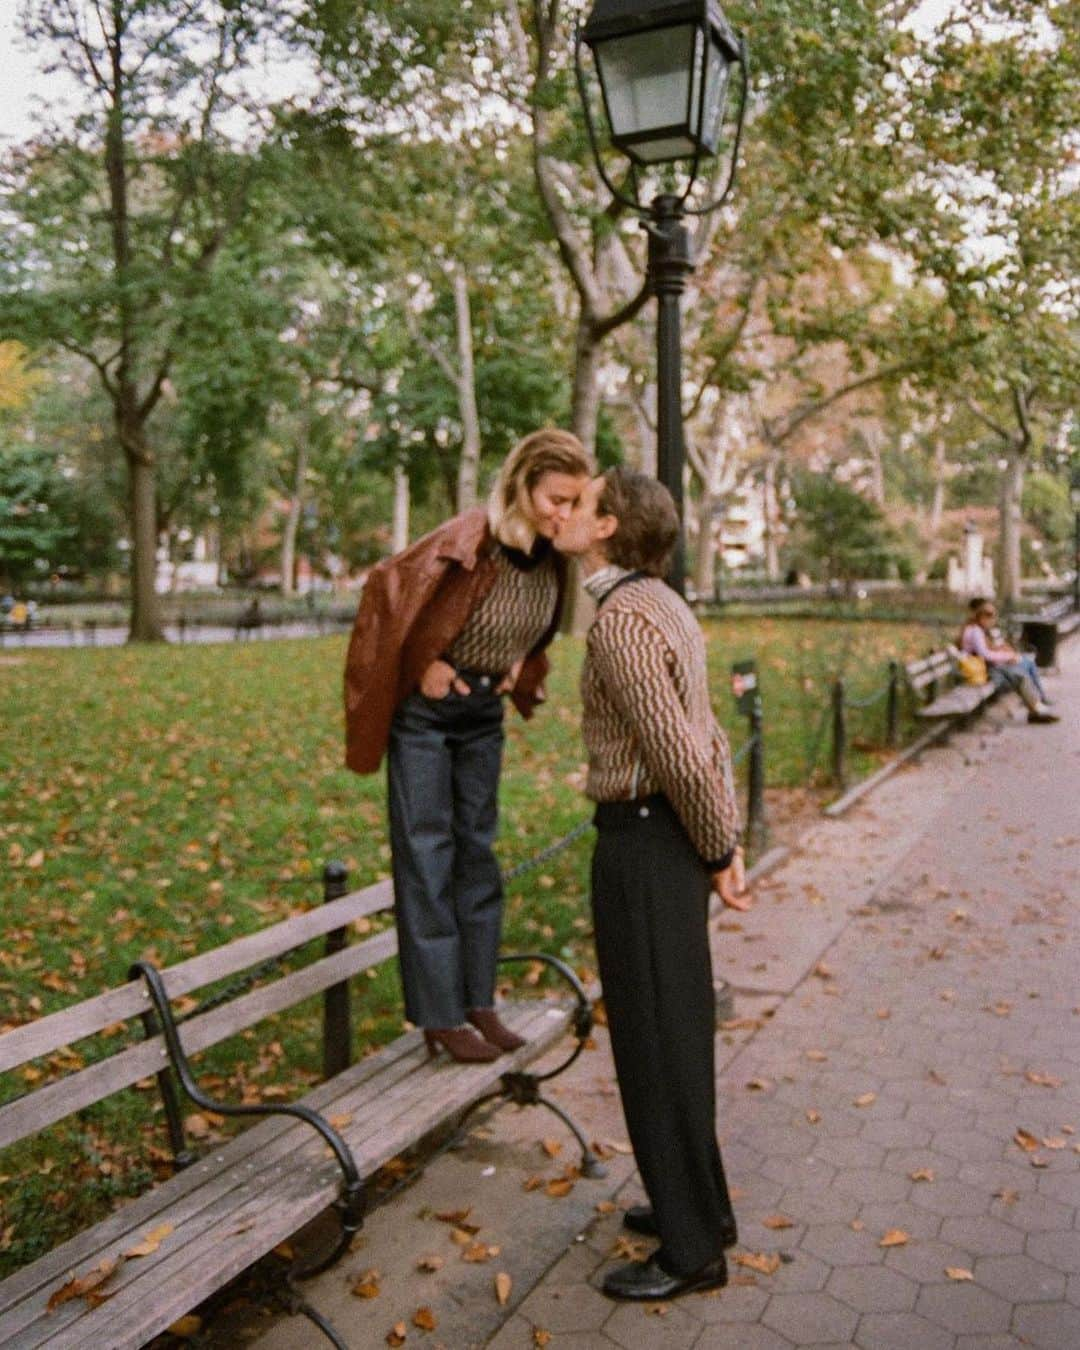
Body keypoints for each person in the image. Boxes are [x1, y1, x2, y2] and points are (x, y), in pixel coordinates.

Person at [553, 466, 748, 1302]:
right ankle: (695, 1207)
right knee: (679, 1033)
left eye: (583, 503)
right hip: (668, 840)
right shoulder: (661, 603)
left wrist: (717, 848)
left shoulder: (622, 622)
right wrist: (721, 838)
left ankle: (692, 1252)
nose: (566, 512)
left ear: (608, 527)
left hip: (643, 844)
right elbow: (708, 738)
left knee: (654, 1044)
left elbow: (676, 750)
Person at [343, 429, 593, 1063]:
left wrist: (517, 668)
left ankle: (478, 1000)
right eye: (554, 498)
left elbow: (536, 631)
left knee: (476, 855)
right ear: (521, 486)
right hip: (427, 716)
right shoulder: (470, 538)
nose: (564, 513)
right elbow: (389, 587)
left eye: (574, 501)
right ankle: (439, 1015)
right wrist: (421, 662)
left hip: (482, 714)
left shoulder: (552, 559)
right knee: (428, 856)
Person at [960, 598, 1058, 723]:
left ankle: (1036, 709)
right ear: (982, 618)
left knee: (1020, 675)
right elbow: (984, 655)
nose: (993, 621)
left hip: (987, 669)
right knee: (1019, 675)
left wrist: (1007, 654)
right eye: (990, 617)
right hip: (982, 672)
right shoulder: (975, 632)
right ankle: (1036, 710)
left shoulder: (979, 630)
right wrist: (1008, 657)